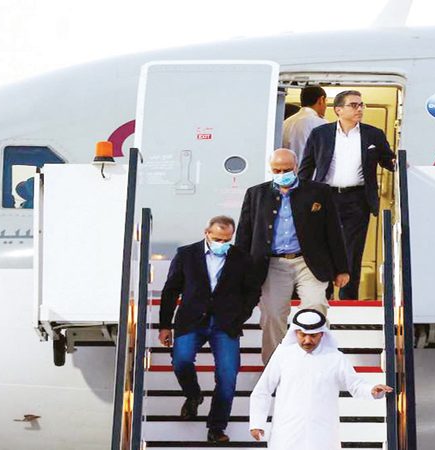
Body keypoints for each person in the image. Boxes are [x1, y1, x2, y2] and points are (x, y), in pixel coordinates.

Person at [236, 148, 349, 364]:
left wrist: (342, 268)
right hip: (273, 263)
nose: (282, 174)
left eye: (286, 169)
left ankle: (315, 363)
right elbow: (244, 234)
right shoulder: (256, 194)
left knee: (315, 307)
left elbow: (334, 230)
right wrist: (240, 271)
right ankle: (275, 367)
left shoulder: (319, 192)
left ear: (296, 167)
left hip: (309, 262)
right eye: (276, 170)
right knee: (272, 314)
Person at [158, 215, 261, 443]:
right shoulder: (186, 254)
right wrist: (164, 325)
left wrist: (240, 317)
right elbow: (171, 290)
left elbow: (253, 291)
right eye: (218, 239)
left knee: (227, 375)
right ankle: (193, 395)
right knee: (181, 361)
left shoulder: (242, 259)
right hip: (191, 320)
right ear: (207, 233)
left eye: (227, 240)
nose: (222, 243)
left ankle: (216, 427)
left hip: (226, 324)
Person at [299, 90, 396, 300]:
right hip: (326, 198)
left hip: (357, 199)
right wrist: (301, 198)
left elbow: (388, 160)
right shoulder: (320, 134)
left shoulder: (374, 134)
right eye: (353, 105)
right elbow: (306, 167)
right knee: (324, 247)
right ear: (338, 110)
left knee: (352, 250)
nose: (359, 109)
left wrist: (400, 163)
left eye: (361, 105)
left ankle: (348, 299)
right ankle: (323, 297)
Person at [249, 309, 392, 449]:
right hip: (287, 432)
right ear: (295, 332)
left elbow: (355, 384)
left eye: (313, 335)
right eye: (303, 335)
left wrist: (371, 390)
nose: (307, 340)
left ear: (322, 334)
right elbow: (263, 390)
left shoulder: (335, 357)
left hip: (323, 433)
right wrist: (257, 423)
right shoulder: (282, 355)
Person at [282, 86, 328, 164]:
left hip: (288, 169)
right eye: (326, 101)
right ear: (321, 100)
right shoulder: (321, 124)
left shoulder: (286, 122)